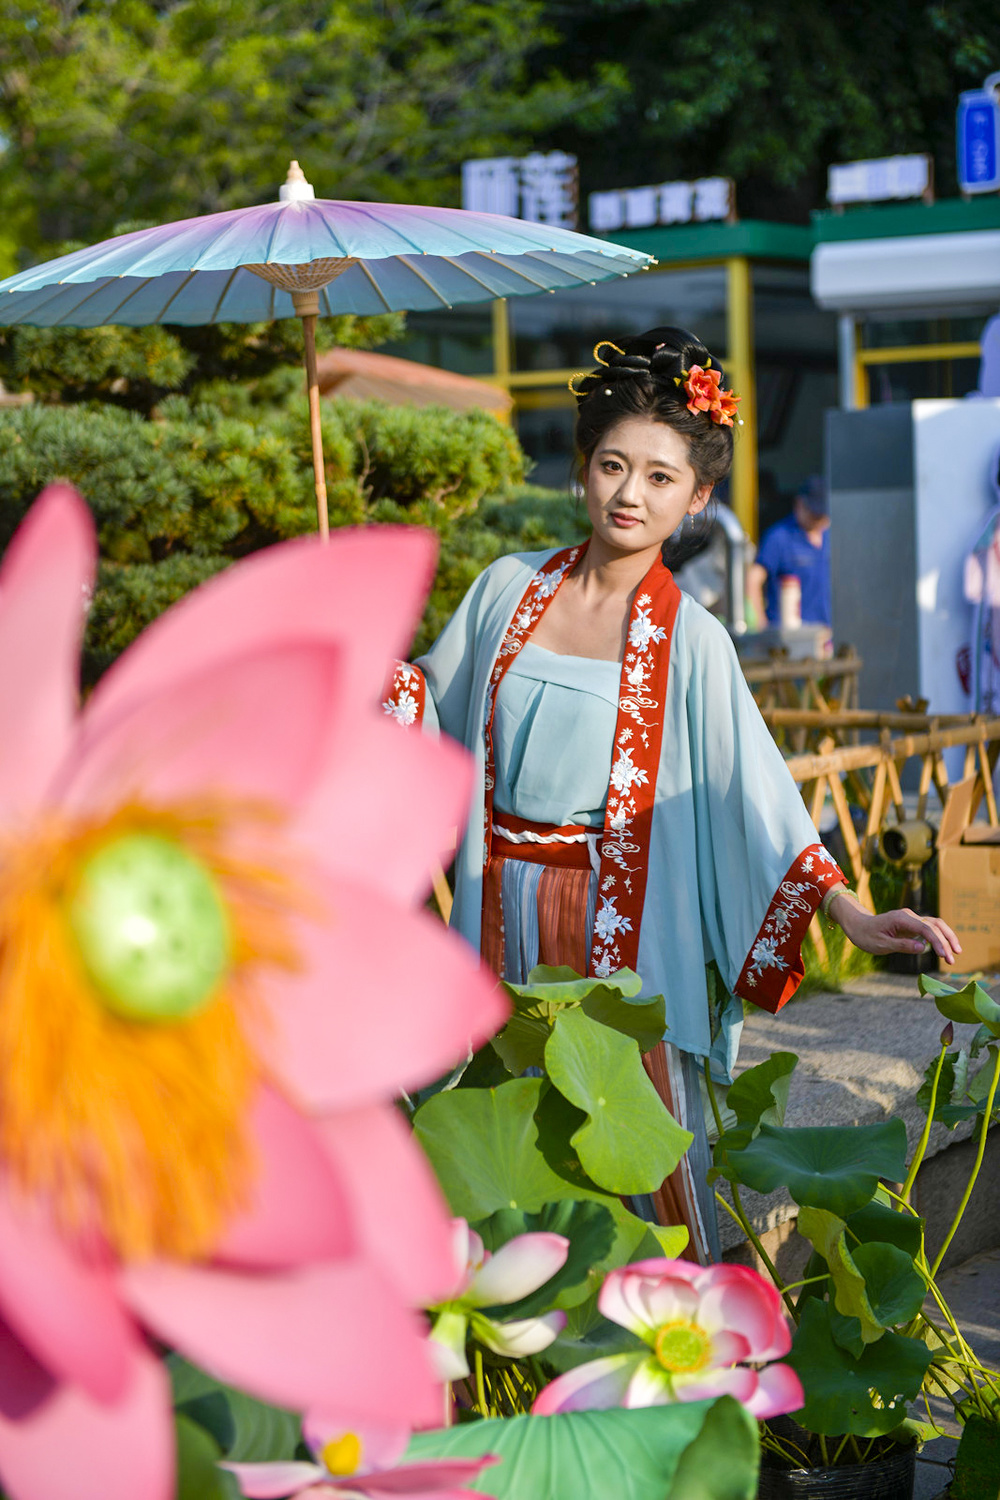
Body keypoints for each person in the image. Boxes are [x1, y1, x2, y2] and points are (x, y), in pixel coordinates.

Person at [385, 327, 959, 1262]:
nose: (629, 493)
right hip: (498, 909)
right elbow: (430, 711)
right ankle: (506, 1371)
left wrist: (850, 914)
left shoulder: (692, 641)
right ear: (581, 469)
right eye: (613, 464)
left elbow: (752, 794)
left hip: (623, 937)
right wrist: (373, 691)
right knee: (495, 1150)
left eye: (659, 477)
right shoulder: (504, 591)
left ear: (696, 498)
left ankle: (672, 1365)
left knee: (634, 1153)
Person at [747, 475, 831, 628]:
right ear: (799, 504)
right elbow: (753, 580)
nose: (818, 520)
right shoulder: (779, 537)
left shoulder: (832, 537)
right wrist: (762, 625)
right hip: (790, 639)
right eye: (814, 514)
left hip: (826, 636)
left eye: (822, 516)